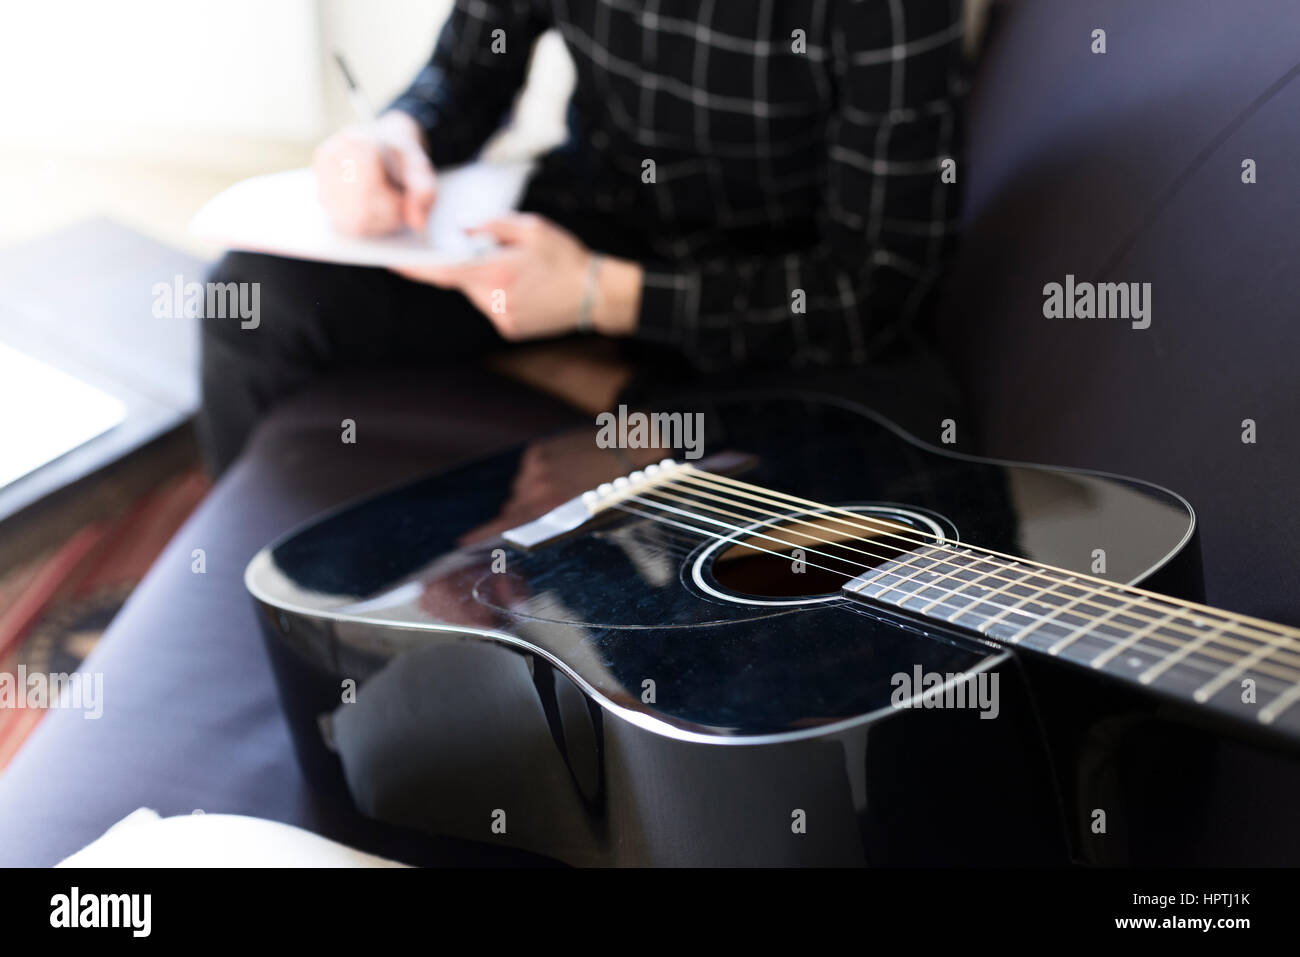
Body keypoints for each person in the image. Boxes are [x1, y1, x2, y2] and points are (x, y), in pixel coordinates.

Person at [198, 0, 968, 475]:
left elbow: (875, 285)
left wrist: (601, 296)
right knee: (253, 297)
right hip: (589, 218)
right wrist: (399, 136)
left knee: (889, 423)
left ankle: (598, 377)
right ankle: (255, 614)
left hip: (766, 288)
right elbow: (466, 75)